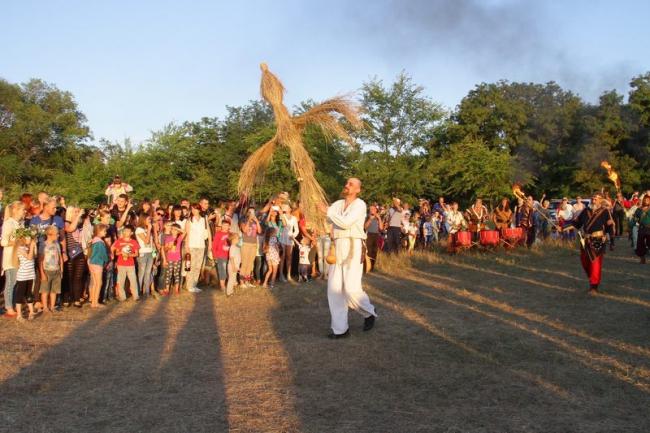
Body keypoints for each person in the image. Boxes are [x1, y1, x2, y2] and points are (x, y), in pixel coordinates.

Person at [317, 178, 377, 340]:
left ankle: (369, 312)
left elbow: (346, 222)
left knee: (350, 288)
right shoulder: (337, 204)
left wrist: (328, 211)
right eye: (347, 183)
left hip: (353, 245)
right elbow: (328, 219)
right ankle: (340, 329)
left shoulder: (360, 205)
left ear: (358, 190)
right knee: (334, 288)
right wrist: (317, 208)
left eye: (351, 184)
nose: (347, 185)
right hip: (337, 245)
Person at [571, 192, 615, 294]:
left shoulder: (605, 211)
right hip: (586, 240)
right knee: (584, 260)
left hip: (598, 240)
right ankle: (592, 278)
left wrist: (612, 242)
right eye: (592, 199)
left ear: (601, 200)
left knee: (595, 263)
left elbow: (610, 226)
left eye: (596, 199)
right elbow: (576, 224)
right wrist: (562, 228)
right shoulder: (586, 210)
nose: (593, 201)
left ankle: (594, 286)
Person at [2, 201, 26, 317]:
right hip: (10, 257)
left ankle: (14, 304)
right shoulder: (8, 223)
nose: (24, 212)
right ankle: (8, 307)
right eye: (22, 209)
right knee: (11, 282)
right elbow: (3, 242)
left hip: (19, 257)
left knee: (17, 282)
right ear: (15, 210)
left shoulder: (20, 223)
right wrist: (17, 242)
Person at [184, 203, 210, 293]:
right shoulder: (189, 220)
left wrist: (210, 244)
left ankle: (194, 284)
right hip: (192, 245)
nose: (193, 211)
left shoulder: (204, 219)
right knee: (191, 265)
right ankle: (189, 285)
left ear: (199, 210)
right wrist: (186, 246)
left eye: (195, 209)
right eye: (192, 209)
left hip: (201, 245)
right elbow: (187, 234)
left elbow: (208, 232)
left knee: (198, 266)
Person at [111, 225, 140, 301]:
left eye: (127, 231)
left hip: (130, 264)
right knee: (121, 281)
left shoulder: (134, 242)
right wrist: (121, 252)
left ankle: (136, 296)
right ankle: (122, 297)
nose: (125, 232)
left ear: (131, 233)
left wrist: (128, 255)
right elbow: (116, 253)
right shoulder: (119, 241)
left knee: (133, 280)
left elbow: (136, 254)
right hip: (121, 263)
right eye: (124, 230)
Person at [39, 225, 64, 313]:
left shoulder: (56, 244)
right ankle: (45, 307)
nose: (58, 235)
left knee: (54, 290)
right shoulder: (43, 245)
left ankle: (52, 306)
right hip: (47, 270)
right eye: (56, 234)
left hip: (56, 270)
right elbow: (40, 260)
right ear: (49, 235)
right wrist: (42, 273)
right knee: (45, 290)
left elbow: (60, 257)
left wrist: (61, 270)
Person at [14, 231, 37, 321]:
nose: (30, 240)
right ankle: (19, 314)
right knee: (20, 294)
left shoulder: (28, 248)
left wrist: (34, 246)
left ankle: (31, 311)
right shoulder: (20, 248)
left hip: (30, 274)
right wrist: (31, 247)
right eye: (28, 238)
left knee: (29, 293)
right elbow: (29, 257)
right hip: (23, 275)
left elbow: (34, 256)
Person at [87, 224, 109, 308]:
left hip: (91, 263)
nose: (105, 232)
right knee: (99, 283)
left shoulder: (93, 240)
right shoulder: (99, 242)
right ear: (99, 232)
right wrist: (106, 261)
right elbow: (103, 254)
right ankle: (95, 303)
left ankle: (93, 301)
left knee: (94, 283)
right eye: (104, 231)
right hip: (97, 263)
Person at [278, 204, 298, 282]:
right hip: (282, 237)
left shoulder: (294, 218)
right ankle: (281, 274)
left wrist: (293, 236)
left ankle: (288, 274)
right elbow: (281, 224)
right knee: (282, 256)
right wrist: (281, 212)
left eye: (287, 207)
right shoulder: (282, 216)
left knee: (289, 257)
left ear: (290, 209)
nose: (286, 208)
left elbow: (296, 229)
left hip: (290, 239)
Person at [162, 223, 183, 295]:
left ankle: (176, 289)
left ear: (178, 231)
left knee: (176, 274)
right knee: (169, 274)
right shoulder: (168, 239)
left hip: (177, 258)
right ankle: (167, 289)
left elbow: (185, 232)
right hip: (170, 258)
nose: (173, 231)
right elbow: (165, 249)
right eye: (172, 229)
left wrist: (177, 228)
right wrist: (169, 247)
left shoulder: (179, 238)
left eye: (175, 230)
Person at [212, 220, 231, 291]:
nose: (225, 227)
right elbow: (214, 246)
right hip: (220, 255)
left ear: (229, 226)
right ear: (221, 225)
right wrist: (214, 255)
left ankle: (228, 284)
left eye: (227, 225)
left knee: (228, 270)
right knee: (222, 270)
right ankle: (222, 286)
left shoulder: (230, 234)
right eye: (224, 225)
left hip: (229, 255)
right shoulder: (218, 234)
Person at [364, 203, 383, 270]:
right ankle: (366, 267)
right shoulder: (367, 216)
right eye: (370, 208)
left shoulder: (378, 217)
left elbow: (381, 228)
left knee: (374, 251)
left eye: (373, 208)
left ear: (376, 210)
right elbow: (365, 227)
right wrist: (370, 219)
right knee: (368, 251)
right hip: (369, 234)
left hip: (376, 235)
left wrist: (379, 218)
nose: (371, 209)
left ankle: (372, 267)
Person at [633, 194, 650, 264]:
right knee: (640, 245)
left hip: (649, 230)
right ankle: (642, 259)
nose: (645, 201)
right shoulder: (639, 210)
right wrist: (636, 221)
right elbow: (634, 218)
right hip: (642, 229)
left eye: (647, 200)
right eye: (644, 200)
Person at [226, 232, 241, 297]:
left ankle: (232, 290)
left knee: (233, 279)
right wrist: (233, 267)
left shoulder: (236, 247)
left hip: (235, 266)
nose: (239, 239)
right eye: (238, 238)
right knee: (231, 279)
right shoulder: (232, 247)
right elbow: (231, 258)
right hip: (232, 266)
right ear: (233, 240)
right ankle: (229, 292)